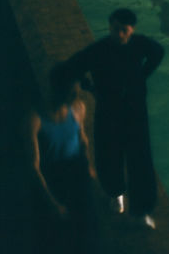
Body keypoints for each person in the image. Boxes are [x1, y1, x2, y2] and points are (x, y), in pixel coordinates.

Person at [62, 8, 164, 230]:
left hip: (135, 111)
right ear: (110, 27)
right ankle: (115, 193)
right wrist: (89, 86)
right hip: (109, 110)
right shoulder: (99, 50)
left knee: (140, 159)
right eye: (116, 29)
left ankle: (141, 209)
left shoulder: (140, 44)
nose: (119, 34)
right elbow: (74, 65)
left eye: (124, 31)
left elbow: (158, 52)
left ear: (131, 31)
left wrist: (143, 75)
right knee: (109, 153)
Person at [28, 63, 99, 253]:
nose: (75, 95)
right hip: (54, 174)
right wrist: (52, 202)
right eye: (72, 91)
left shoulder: (77, 109)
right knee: (61, 236)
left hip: (77, 169)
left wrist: (88, 165)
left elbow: (83, 140)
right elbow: (34, 166)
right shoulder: (35, 119)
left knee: (88, 228)